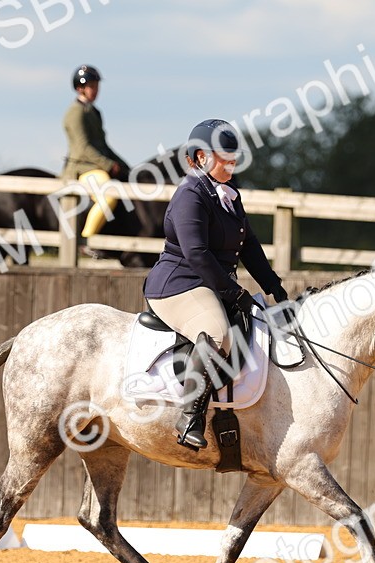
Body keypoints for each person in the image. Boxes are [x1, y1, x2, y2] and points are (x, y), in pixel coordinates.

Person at [143, 119, 290, 450]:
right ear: (200, 157)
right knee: (217, 332)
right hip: (180, 284)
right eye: (224, 158)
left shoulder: (229, 195)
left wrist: (273, 285)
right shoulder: (190, 196)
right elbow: (196, 253)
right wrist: (234, 293)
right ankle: (190, 416)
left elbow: (249, 245)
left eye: (233, 157)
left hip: (211, 283)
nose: (231, 163)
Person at [62, 65, 129, 252]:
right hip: (82, 167)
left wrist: (123, 165)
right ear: (80, 88)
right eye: (92, 86)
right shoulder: (75, 112)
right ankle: (87, 241)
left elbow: (103, 145)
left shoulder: (94, 112)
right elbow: (83, 148)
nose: (96, 90)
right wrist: (108, 165)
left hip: (96, 166)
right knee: (109, 195)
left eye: (97, 86)